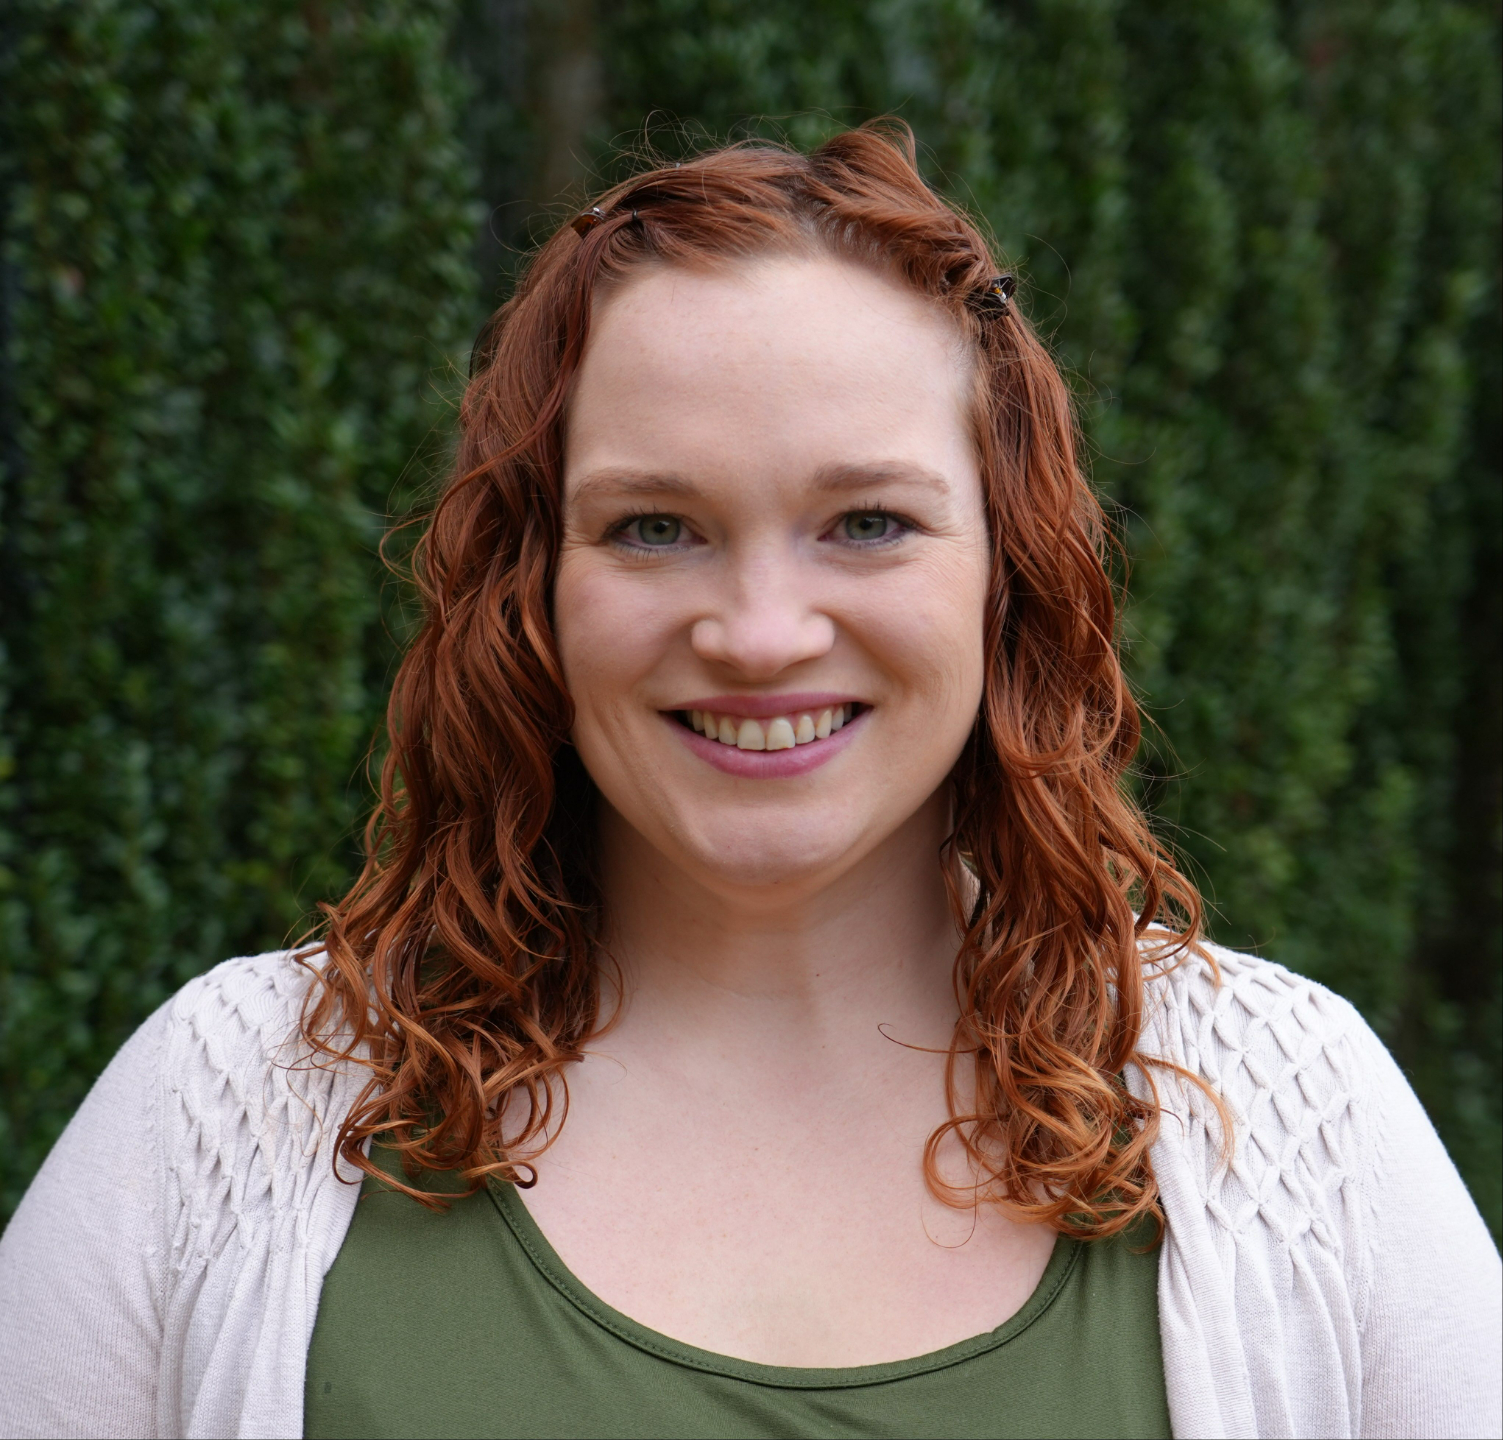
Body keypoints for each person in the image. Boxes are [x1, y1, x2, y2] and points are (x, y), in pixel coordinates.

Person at [0, 122, 1497, 1440]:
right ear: (533, 587)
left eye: (867, 523)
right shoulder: (224, 1112)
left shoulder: (1298, 1128)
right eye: (655, 527)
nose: (760, 633)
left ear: (1009, 579)